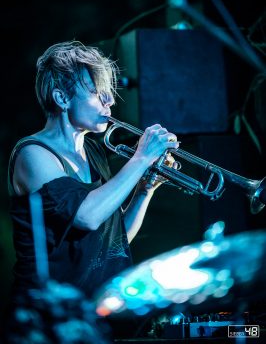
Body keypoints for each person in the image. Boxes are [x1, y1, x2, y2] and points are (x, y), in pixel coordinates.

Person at [7, 40, 179, 310]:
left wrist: (145, 189)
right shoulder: (33, 154)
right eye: (97, 92)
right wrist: (141, 158)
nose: (110, 101)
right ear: (62, 99)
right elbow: (87, 217)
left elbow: (111, 242)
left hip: (93, 311)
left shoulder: (92, 150)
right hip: (47, 317)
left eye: (108, 92)